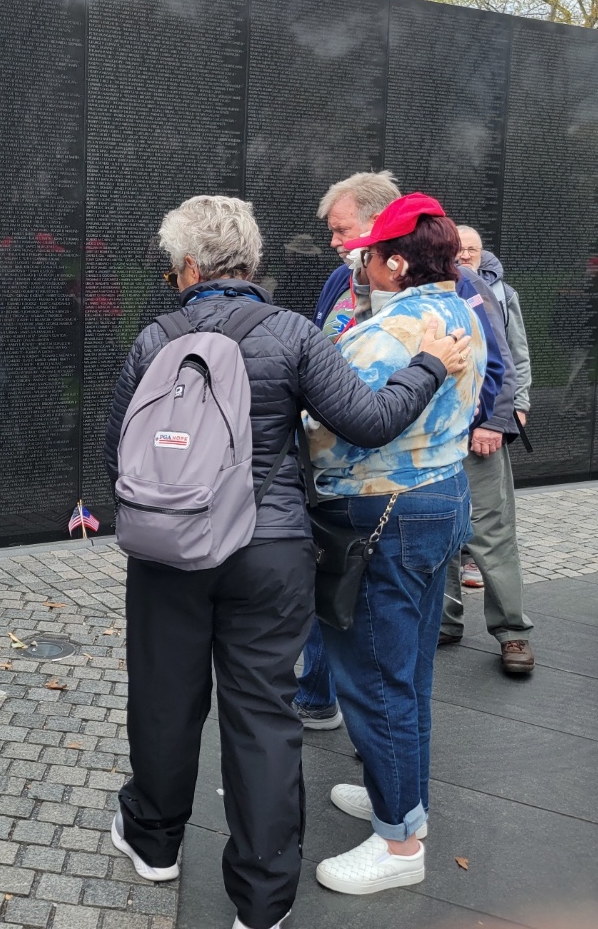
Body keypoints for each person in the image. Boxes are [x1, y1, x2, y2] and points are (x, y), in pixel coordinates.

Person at [104, 195, 471, 929]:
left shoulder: (154, 339)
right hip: (268, 553)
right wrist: (430, 365)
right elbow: (366, 422)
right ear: (253, 262)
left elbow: (116, 448)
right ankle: (263, 903)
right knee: (263, 717)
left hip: (168, 555)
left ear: (186, 267)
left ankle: (154, 844)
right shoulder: (294, 334)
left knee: (164, 701)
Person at [307, 193, 486, 896]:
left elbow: (330, 420)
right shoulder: (458, 312)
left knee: (376, 680)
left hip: (382, 515)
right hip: (440, 502)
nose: (362, 263)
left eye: (370, 253)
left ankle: (398, 845)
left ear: (397, 262)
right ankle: (405, 803)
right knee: (408, 675)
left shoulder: (391, 331)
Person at [295, 171, 404, 731]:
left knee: (372, 615)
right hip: (329, 470)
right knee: (328, 581)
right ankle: (316, 694)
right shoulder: (341, 278)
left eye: (341, 230)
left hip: (382, 484)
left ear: (378, 222)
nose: (334, 243)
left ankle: (381, 763)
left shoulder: (419, 292)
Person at [440, 227, 535, 673]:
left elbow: (505, 356)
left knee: (492, 534)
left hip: (479, 433)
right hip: (438, 437)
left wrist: (497, 420)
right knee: (440, 533)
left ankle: (512, 632)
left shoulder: (478, 287)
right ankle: (444, 621)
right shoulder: (419, 286)